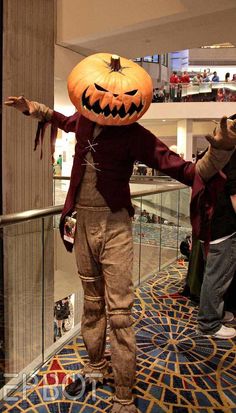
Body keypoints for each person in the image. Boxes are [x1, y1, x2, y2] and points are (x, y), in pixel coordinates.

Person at [5, 52, 236, 413]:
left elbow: (186, 170)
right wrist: (31, 107)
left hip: (116, 228)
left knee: (121, 314)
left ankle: (125, 395)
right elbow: (61, 119)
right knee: (92, 305)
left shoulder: (135, 136)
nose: (109, 101)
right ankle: (95, 365)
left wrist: (220, 152)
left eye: (118, 96)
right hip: (84, 224)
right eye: (100, 92)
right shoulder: (83, 120)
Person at [197, 144, 236, 339]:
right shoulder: (233, 154)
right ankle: (208, 323)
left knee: (212, 273)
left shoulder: (213, 153)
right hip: (222, 224)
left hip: (208, 222)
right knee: (218, 276)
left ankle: (215, 313)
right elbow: (234, 193)